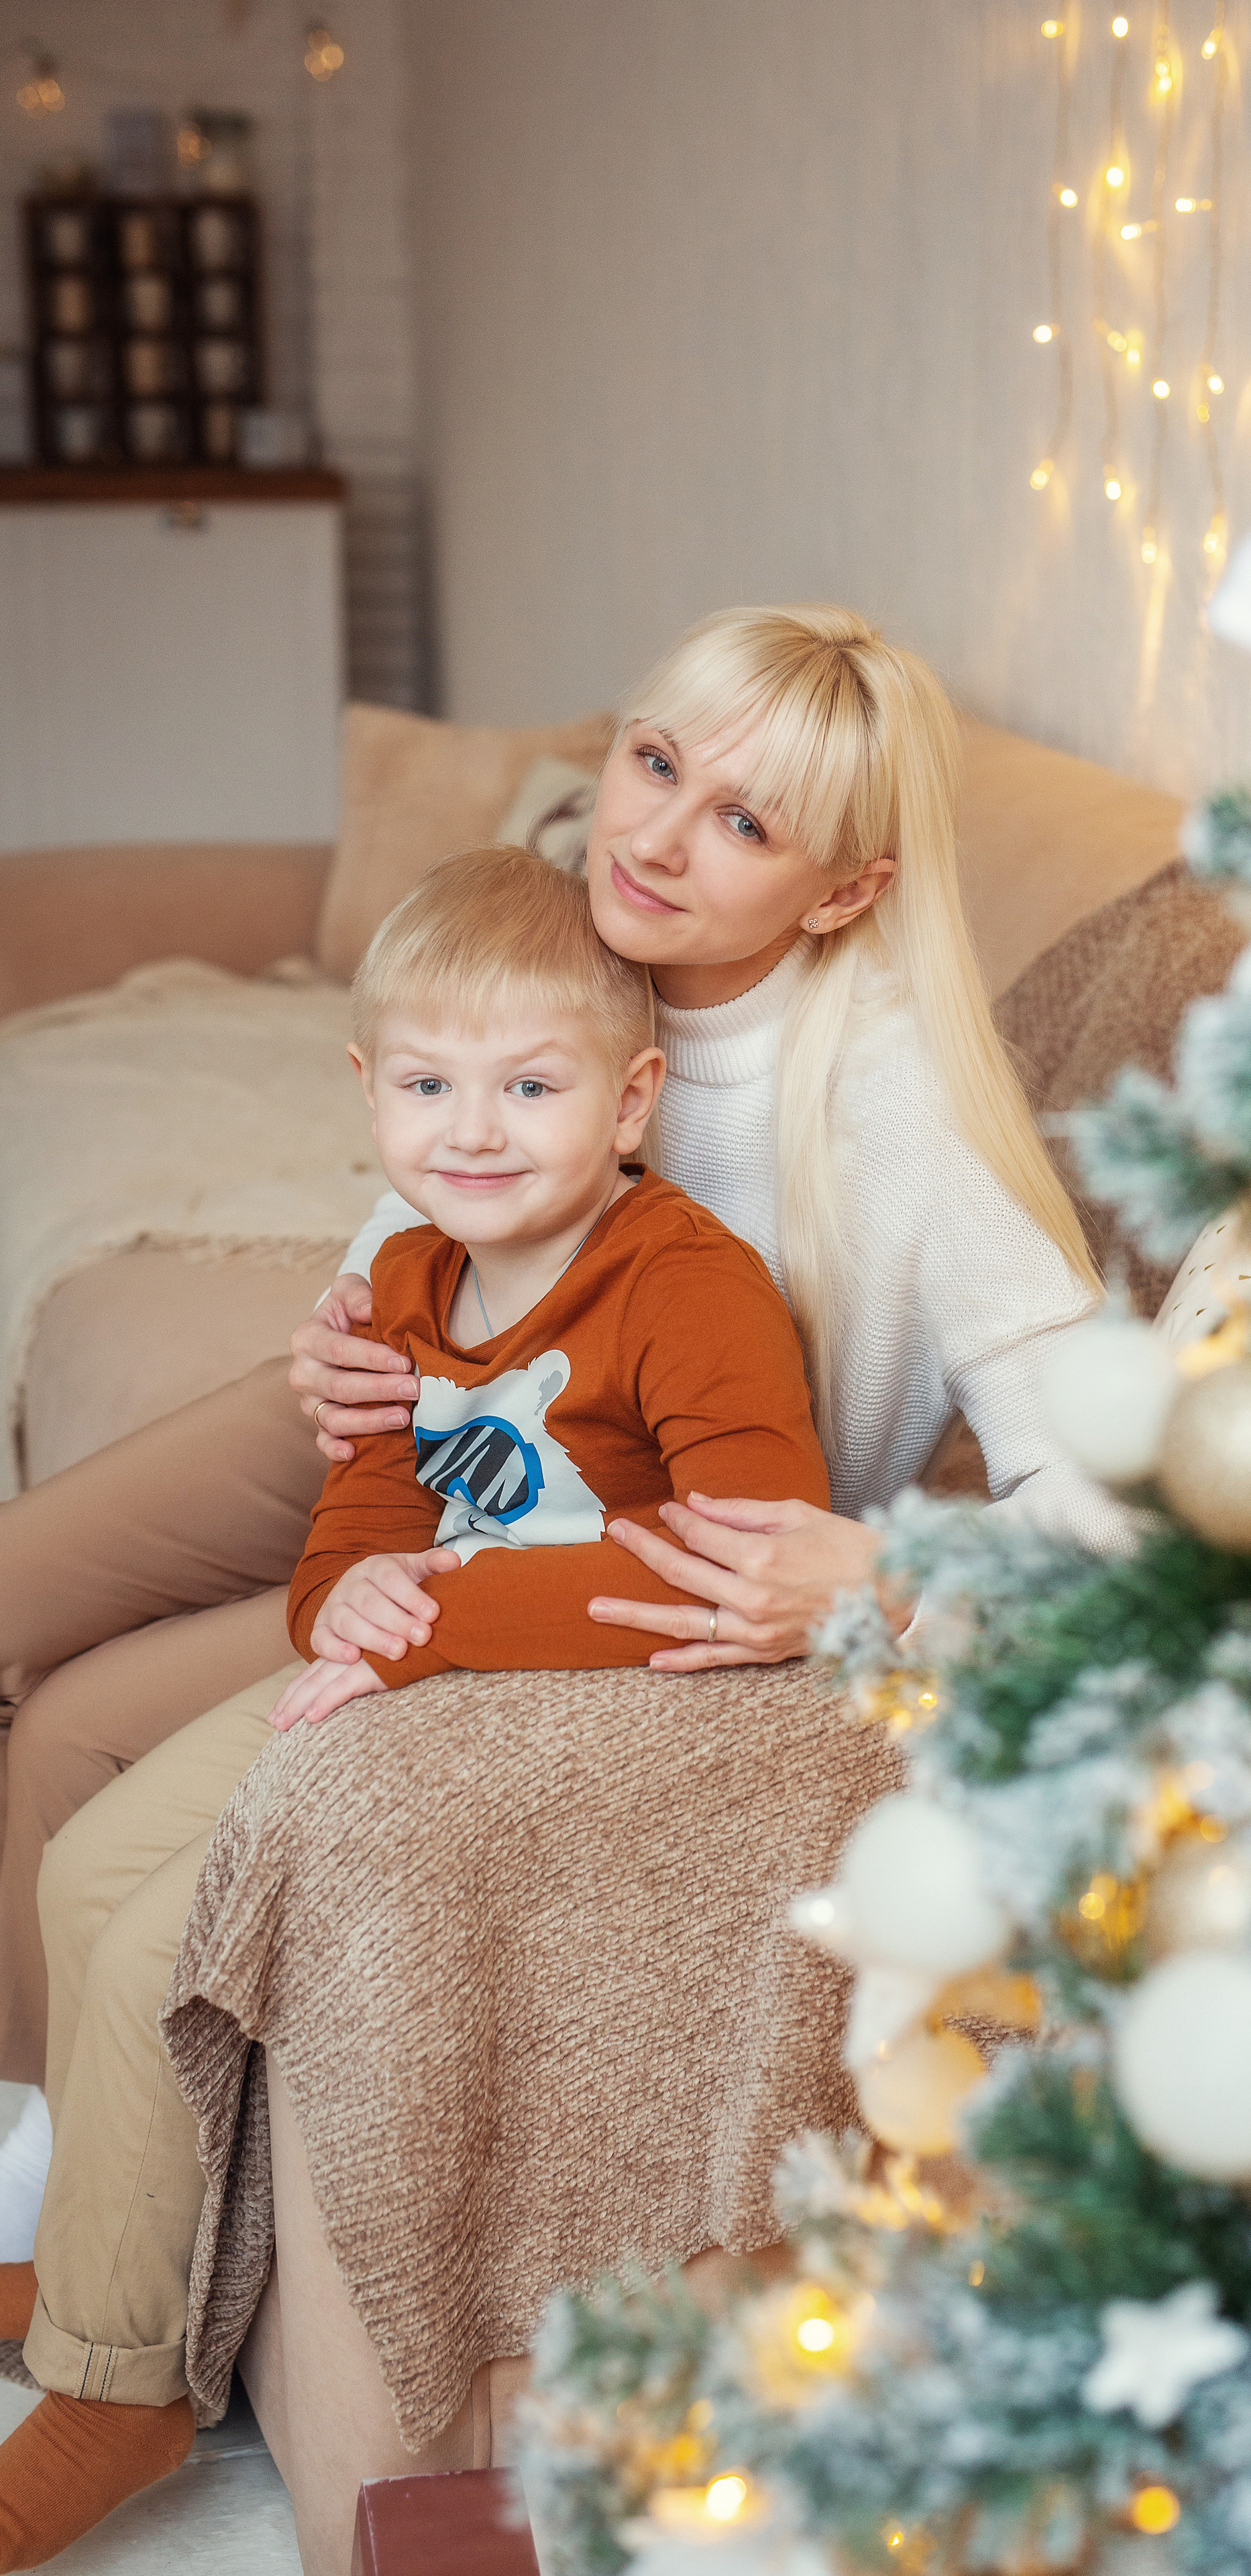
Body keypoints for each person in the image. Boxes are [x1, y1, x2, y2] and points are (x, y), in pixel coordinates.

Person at [0, 604, 1122, 2559]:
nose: (660, 837)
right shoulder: (586, 938)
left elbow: (1107, 1495)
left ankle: (105, 2329)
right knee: (39, 1647)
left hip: (568, 1538)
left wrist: (882, 1564)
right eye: (653, 762)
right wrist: (351, 1338)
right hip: (411, 1421)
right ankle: (66, 2220)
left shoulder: (889, 1114)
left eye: (743, 825)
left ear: (845, 888)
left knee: (99, 1747)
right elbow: (425, 1174)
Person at [0, 839, 833, 2565]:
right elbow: (360, 1531)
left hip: (568, 1690)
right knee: (86, 1864)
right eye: (432, 1087)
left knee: (172, 1934)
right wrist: (354, 1600)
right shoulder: (407, 1284)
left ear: (629, 1101)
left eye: (531, 1086)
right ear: (368, 1093)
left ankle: (117, 2384)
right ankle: (110, 2258)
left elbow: (739, 1556)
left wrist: (441, 1610)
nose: (474, 1130)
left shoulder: (682, 1284)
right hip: (413, 1664)